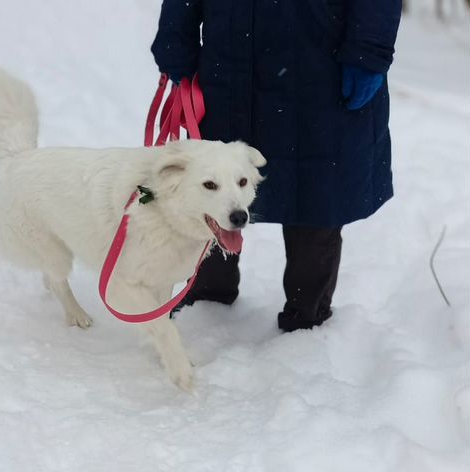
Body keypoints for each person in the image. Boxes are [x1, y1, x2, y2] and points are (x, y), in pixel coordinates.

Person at [151, 0, 402, 331]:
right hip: (230, 70)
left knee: (317, 194)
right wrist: (175, 29)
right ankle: (208, 296)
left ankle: (307, 316)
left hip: (323, 68)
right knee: (212, 186)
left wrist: (369, 49)